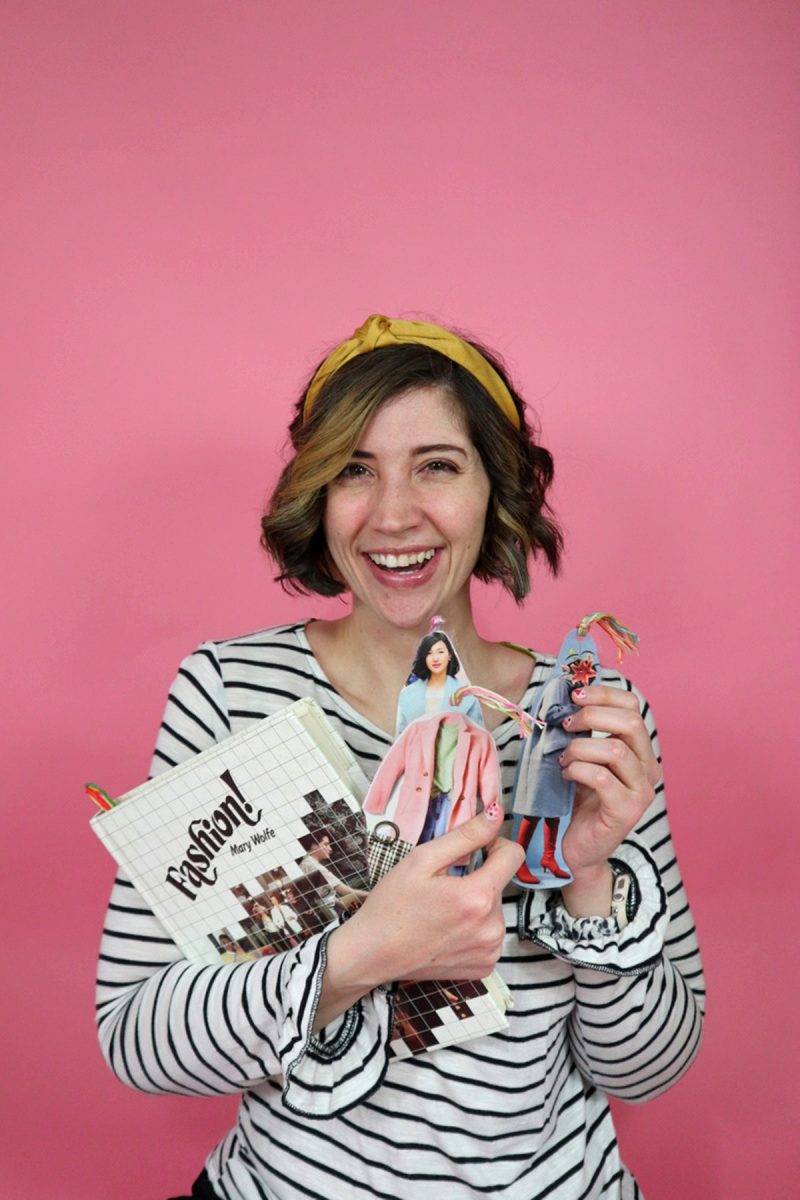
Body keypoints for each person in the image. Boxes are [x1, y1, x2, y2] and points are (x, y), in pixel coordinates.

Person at [96, 313, 705, 1200]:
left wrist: (586, 874)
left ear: (495, 488)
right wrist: (359, 957)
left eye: (437, 466)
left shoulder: (579, 724)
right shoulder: (231, 692)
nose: (392, 515)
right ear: (318, 493)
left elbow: (648, 1071)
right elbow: (137, 1038)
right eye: (354, 470)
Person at [396, 628, 484, 732]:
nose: (435, 658)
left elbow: (479, 738)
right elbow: (400, 737)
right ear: (424, 658)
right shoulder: (407, 694)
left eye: (440, 652)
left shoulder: (467, 696)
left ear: (450, 655)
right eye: (429, 653)